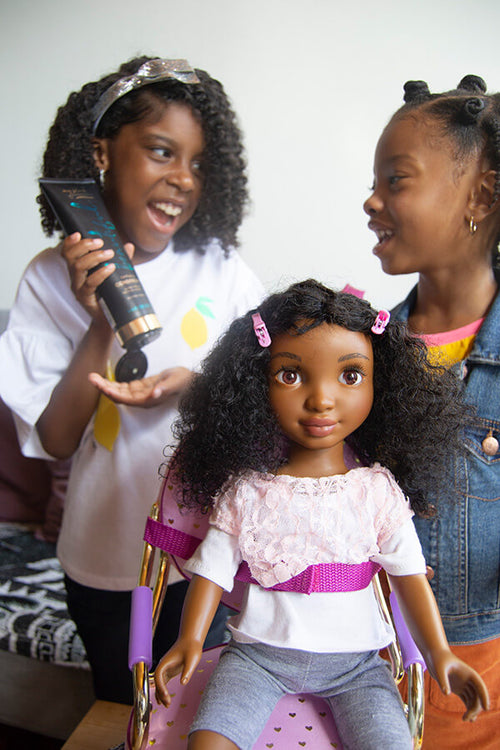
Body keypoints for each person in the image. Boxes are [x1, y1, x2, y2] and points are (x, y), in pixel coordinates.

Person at [0, 56, 264, 704]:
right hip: (103, 558)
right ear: (102, 153)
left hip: (203, 559)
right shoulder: (46, 278)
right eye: (161, 151)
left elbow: (267, 390)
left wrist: (196, 385)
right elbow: (57, 440)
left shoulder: (221, 268)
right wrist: (99, 321)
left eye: (198, 163)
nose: (183, 179)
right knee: (125, 716)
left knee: (195, 717)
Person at [154, 280, 489, 750]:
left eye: (350, 375)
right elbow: (212, 569)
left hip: (358, 667)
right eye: (291, 375)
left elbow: (410, 579)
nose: (322, 400)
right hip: (256, 658)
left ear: (381, 384)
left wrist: (439, 654)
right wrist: (189, 638)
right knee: (208, 743)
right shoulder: (248, 491)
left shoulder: (378, 492)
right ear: (256, 384)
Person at [363, 75, 500, 749]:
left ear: (480, 196)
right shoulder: (362, 352)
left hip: (479, 668)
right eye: (374, 182)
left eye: (396, 180)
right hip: (363, 654)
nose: (371, 200)